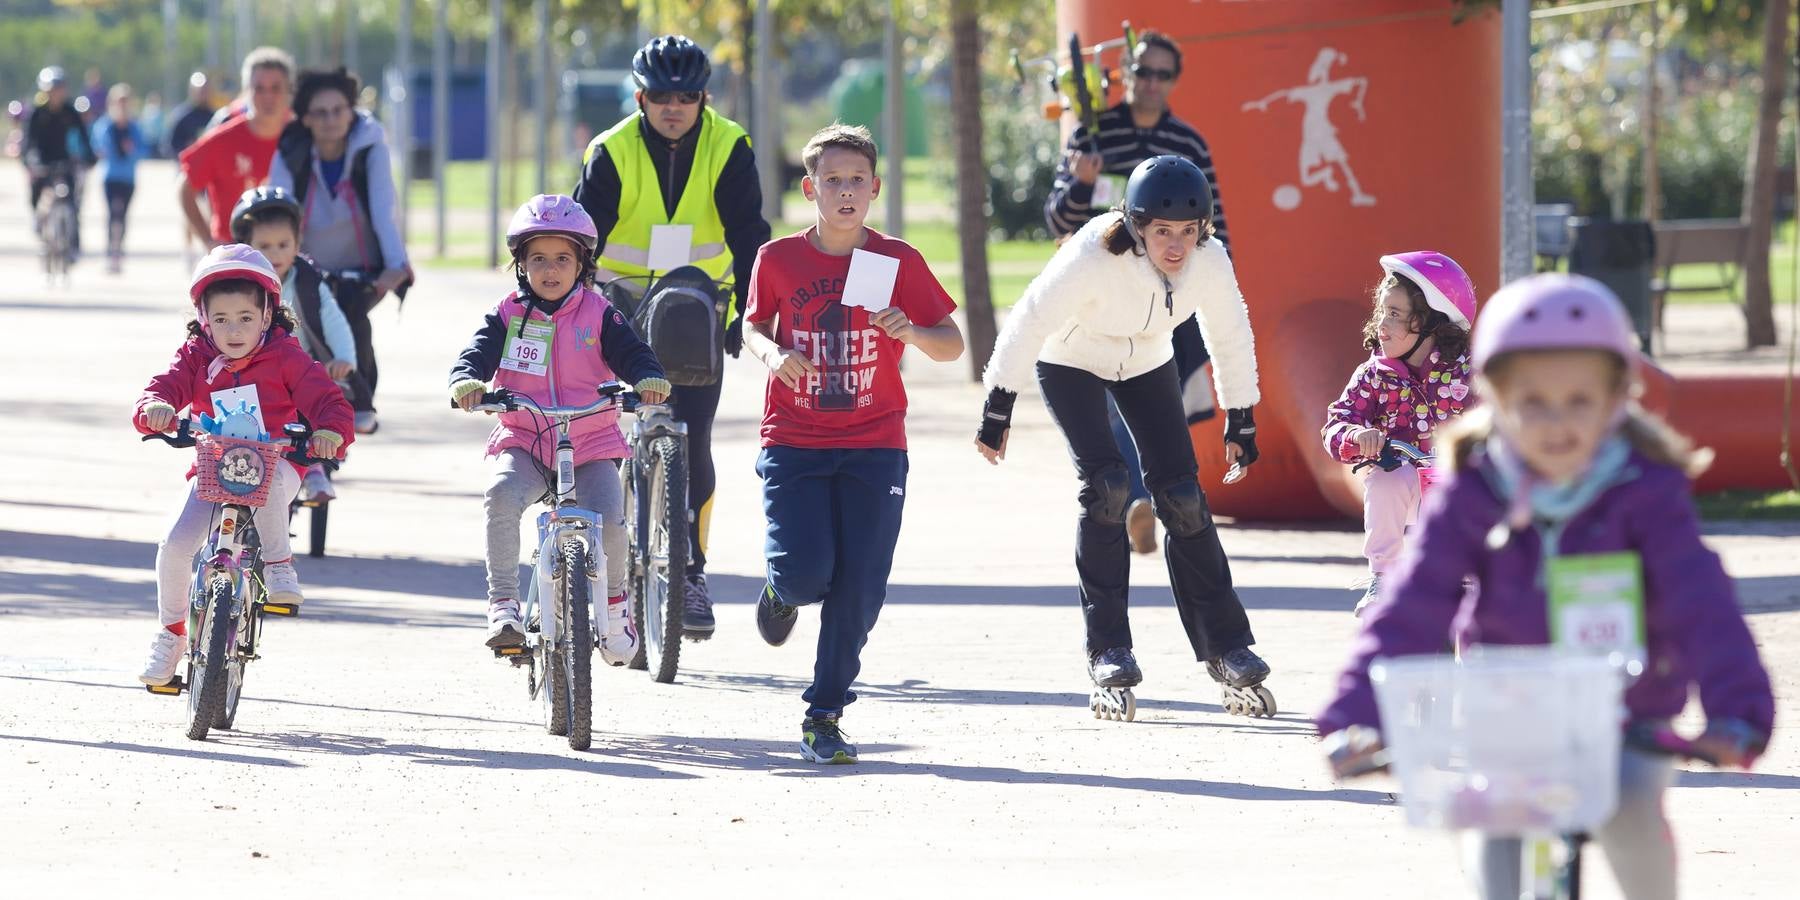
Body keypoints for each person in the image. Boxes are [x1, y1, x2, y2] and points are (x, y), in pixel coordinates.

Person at [1318, 274, 1774, 900]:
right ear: (1494, 398)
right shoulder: (1474, 490)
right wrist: (1358, 713)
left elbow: (1702, 604)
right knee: (1494, 845)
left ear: (1619, 399)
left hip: (1626, 710)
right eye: (1532, 401)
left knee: (1634, 820)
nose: (1556, 423)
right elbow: (1415, 601)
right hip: (1509, 709)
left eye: (1580, 401)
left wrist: (1736, 710)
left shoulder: (1643, 491)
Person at [975, 156, 1272, 717]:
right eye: (1163, 232)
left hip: (1146, 361)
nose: (1177, 246)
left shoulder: (1210, 261)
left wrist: (1242, 414)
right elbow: (1031, 317)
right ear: (1137, 226)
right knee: (1108, 485)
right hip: (1071, 358)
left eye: (1189, 232)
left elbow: (1230, 332)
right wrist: (999, 403)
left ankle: (1227, 646)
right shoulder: (1094, 254)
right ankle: (1108, 647)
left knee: (1182, 496)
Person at [743, 124, 964, 764]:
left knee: (861, 585)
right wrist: (774, 352)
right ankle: (782, 591)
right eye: (832, 181)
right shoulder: (779, 259)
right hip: (795, 440)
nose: (845, 192)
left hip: (875, 443)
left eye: (856, 181)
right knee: (808, 573)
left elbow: (950, 345)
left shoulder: (896, 261)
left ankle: (825, 713)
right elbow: (752, 327)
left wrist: (914, 331)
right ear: (810, 188)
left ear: (875, 188)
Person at [572, 34, 772, 636]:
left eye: (686, 95)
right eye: (661, 95)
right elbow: (584, 240)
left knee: (694, 439)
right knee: (592, 434)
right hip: (619, 308)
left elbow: (749, 235)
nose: (674, 106)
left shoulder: (728, 144)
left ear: (704, 97)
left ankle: (689, 572)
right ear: (640, 97)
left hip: (696, 308)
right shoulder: (610, 151)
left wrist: (749, 311)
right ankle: (593, 571)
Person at [449, 195, 671, 660]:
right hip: (525, 437)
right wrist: (467, 380)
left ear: (582, 264)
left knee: (610, 518)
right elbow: (478, 352)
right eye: (539, 260)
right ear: (521, 265)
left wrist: (646, 377)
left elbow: (633, 352)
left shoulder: (599, 312)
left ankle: (613, 607)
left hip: (590, 440)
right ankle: (504, 604)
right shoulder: (508, 313)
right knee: (501, 495)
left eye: (563, 259)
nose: (551, 270)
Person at [1044, 30, 1233, 556]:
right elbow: (1056, 218)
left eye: (1161, 74)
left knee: (1154, 399)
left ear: (1174, 80)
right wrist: (1081, 184)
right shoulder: (1092, 136)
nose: (1150, 83)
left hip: (1162, 303)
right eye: (1142, 72)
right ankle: (1132, 497)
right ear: (1124, 74)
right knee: (1106, 402)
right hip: (1096, 300)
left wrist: (1216, 291)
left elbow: (1213, 228)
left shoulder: (1189, 145)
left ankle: (1139, 497)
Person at [133, 245, 353, 686]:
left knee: (267, 483)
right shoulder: (196, 355)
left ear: (267, 315)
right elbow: (163, 387)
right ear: (203, 318)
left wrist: (329, 432)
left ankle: (279, 565)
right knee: (176, 544)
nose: (233, 330)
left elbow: (330, 402)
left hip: (278, 460)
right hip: (215, 465)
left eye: (245, 318)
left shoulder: (288, 357)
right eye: (221, 319)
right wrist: (155, 407)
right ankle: (171, 633)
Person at [1321, 251, 1475, 614]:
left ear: (1431, 323)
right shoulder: (1374, 375)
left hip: (1455, 484)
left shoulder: (1468, 371)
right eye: (1381, 313)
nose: (1382, 325)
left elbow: (1500, 415)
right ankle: (1384, 576)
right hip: (1405, 482)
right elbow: (1336, 422)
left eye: (1395, 314)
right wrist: (1358, 437)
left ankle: (1474, 572)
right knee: (1388, 478)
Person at [267, 67, 411, 436]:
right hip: (306, 267)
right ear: (306, 118)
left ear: (352, 111)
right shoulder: (291, 151)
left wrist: (396, 265)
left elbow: (384, 209)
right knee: (302, 338)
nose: (331, 120)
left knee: (353, 327)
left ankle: (359, 406)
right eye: (320, 112)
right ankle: (302, 427)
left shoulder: (370, 148)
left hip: (359, 269)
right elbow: (281, 212)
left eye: (339, 110)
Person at [230, 186, 364, 502]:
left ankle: (314, 468)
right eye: (263, 246)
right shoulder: (237, 284)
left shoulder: (307, 282)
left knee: (307, 408)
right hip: (250, 371)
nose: (274, 254)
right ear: (244, 246)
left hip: (300, 369)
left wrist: (344, 357)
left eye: (283, 245)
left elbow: (334, 320)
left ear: (297, 245)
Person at [177, 47, 294, 248]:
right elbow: (185, 189)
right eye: (259, 88)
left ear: (289, 90)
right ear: (247, 90)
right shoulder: (223, 139)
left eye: (276, 88)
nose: (268, 96)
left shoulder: (300, 137)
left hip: (286, 262)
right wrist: (207, 240)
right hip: (235, 259)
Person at [21, 67, 96, 255]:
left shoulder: (70, 112)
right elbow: (29, 142)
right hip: (42, 159)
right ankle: (39, 223)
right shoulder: (37, 113)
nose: (56, 93)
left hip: (64, 160)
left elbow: (83, 137)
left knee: (71, 200)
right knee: (37, 193)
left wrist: (89, 157)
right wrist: (30, 161)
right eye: (52, 89)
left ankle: (73, 244)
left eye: (59, 89)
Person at [91, 84, 149, 274]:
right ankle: (110, 251)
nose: (122, 106)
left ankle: (119, 249)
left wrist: (132, 151)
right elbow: (98, 146)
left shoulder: (134, 127)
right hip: (111, 177)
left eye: (126, 102)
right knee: (112, 214)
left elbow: (144, 150)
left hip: (128, 178)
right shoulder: (105, 125)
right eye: (119, 102)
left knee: (123, 215)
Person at [162, 72, 216, 160]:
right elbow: (168, 147)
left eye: (205, 90)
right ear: (191, 91)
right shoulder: (181, 116)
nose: (202, 93)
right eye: (200, 90)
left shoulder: (215, 117)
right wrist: (188, 148)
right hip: (186, 168)